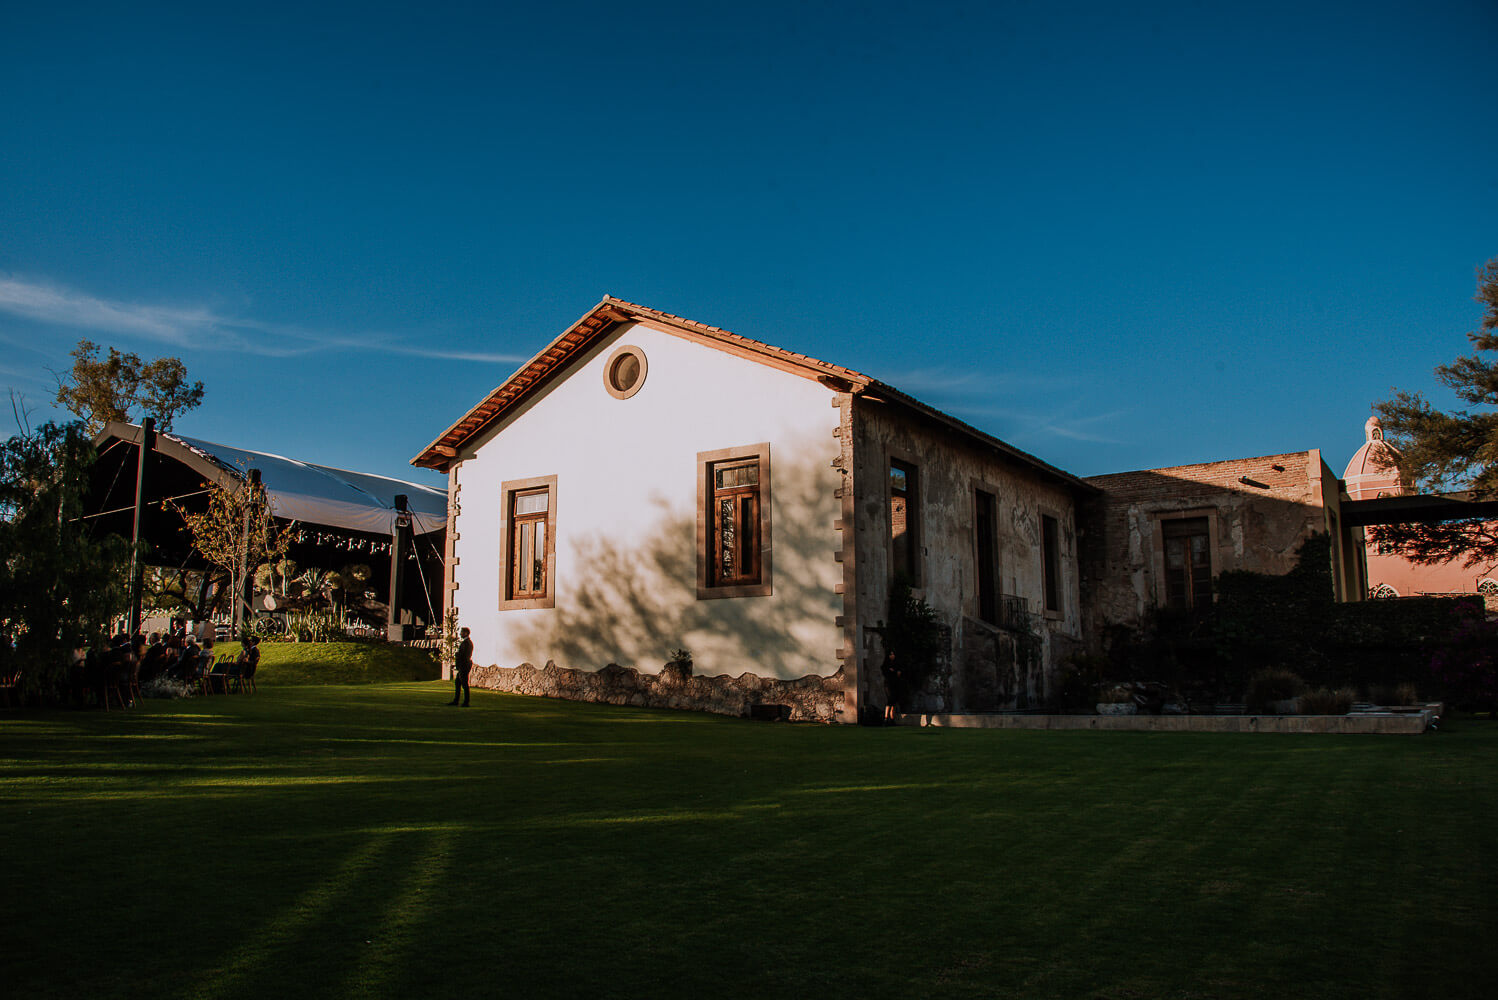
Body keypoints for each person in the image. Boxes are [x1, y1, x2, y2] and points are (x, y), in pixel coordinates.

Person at [448, 627, 473, 707]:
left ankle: (466, 702)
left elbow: (464, 655)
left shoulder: (466, 643)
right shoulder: (466, 642)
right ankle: (456, 700)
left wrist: (458, 655)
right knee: (458, 682)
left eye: (461, 632)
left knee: (464, 683)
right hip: (464, 665)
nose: (460, 634)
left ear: (465, 633)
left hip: (464, 665)